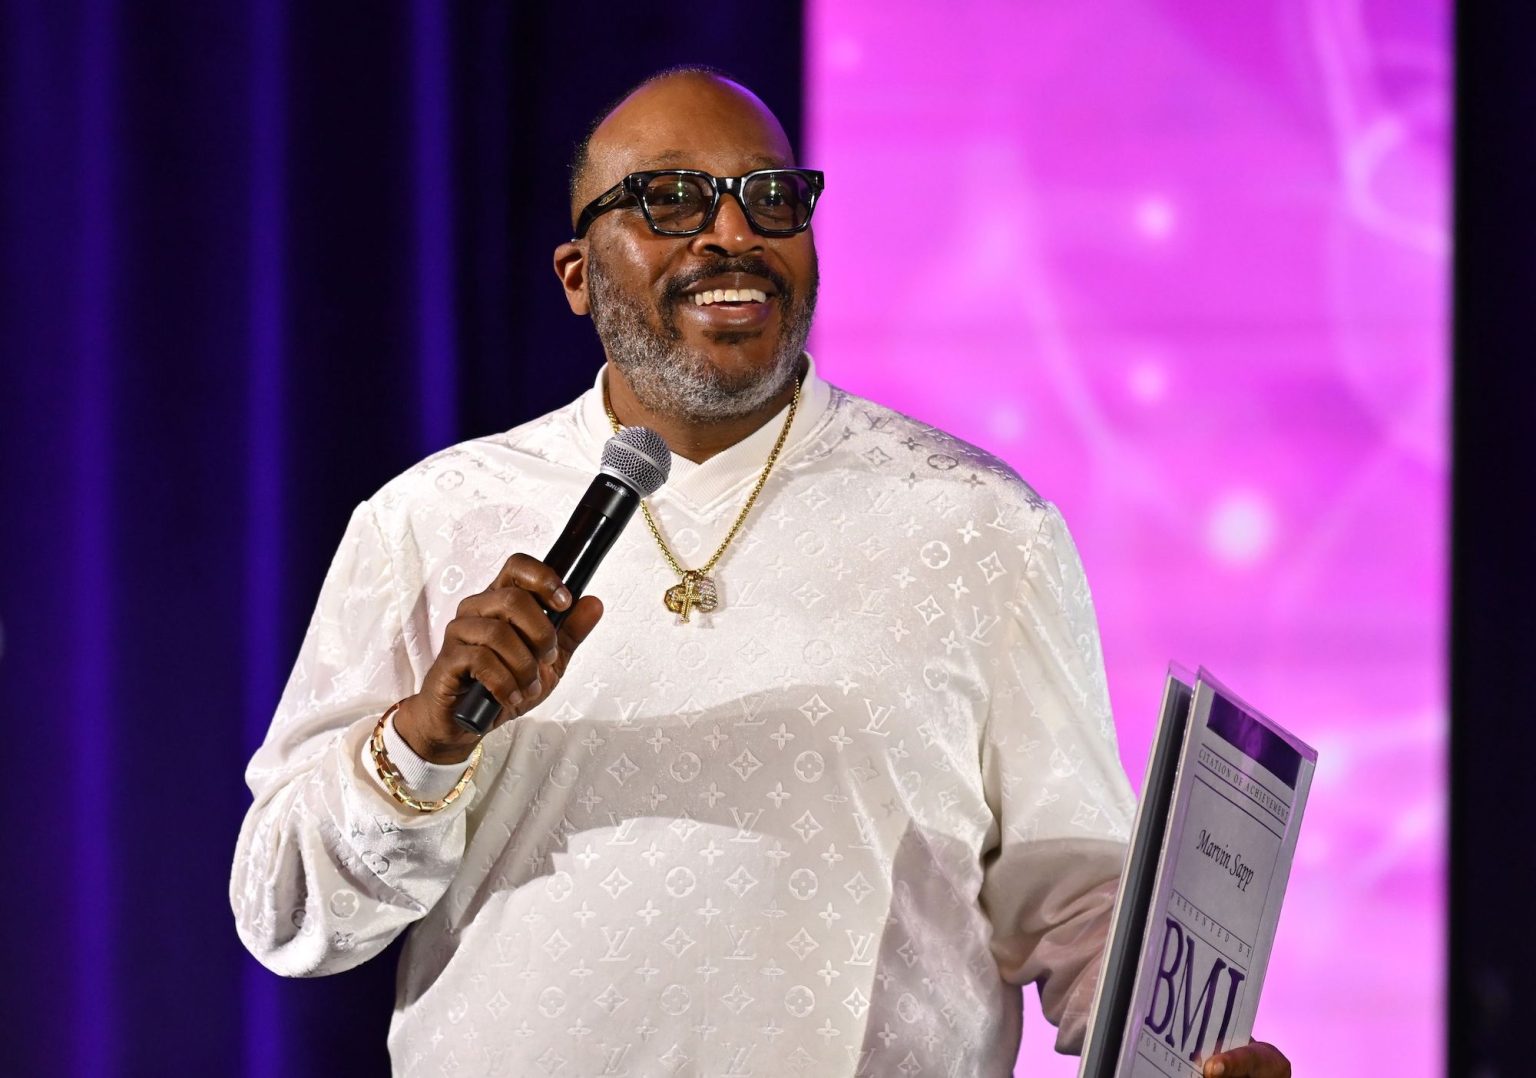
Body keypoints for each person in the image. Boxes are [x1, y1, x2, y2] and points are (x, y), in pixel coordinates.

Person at [231, 67, 1289, 1078]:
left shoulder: (982, 526)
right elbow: (287, 909)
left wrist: (1181, 1050)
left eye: (771, 199)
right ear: (577, 275)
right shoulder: (432, 519)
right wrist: (424, 739)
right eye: (674, 199)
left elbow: (1075, 895)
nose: (732, 234)